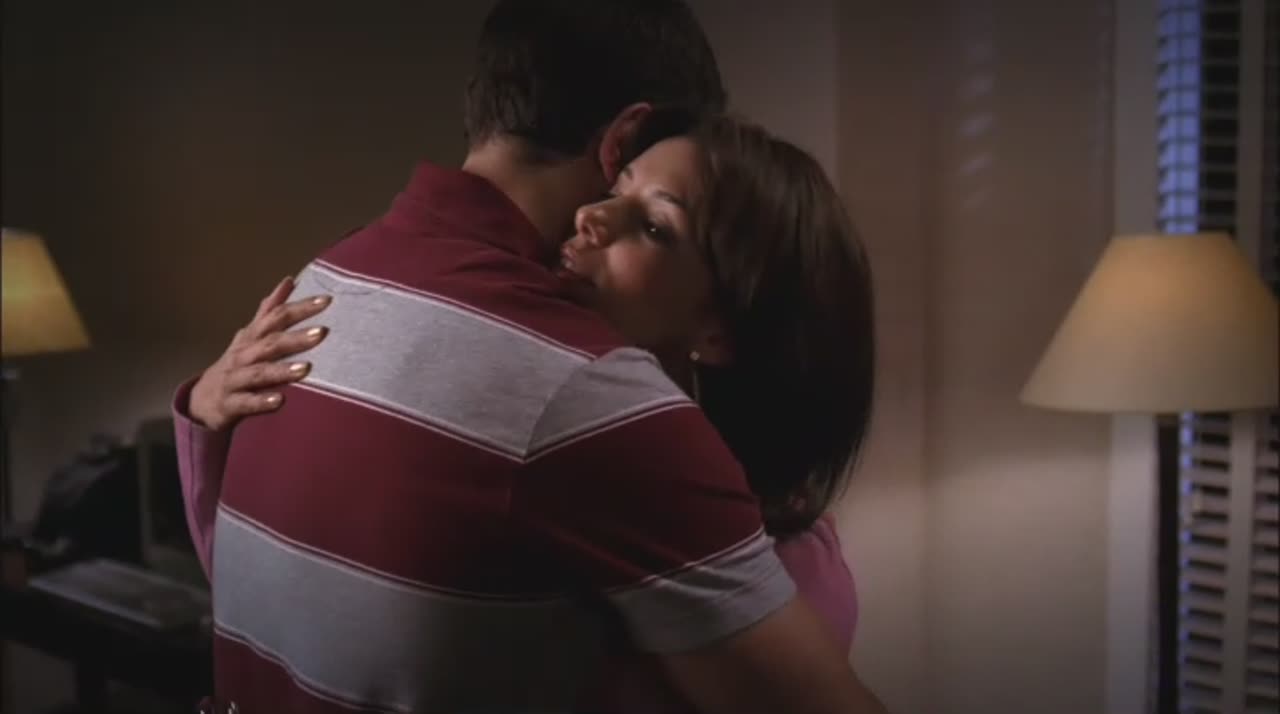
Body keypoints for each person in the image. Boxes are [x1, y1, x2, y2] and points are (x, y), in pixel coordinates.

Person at [174, 0, 887, 711]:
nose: (594, 219)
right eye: (627, 189)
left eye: (654, 222)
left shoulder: (319, 286)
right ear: (623, 141)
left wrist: (201, 417)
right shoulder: (587, 390)